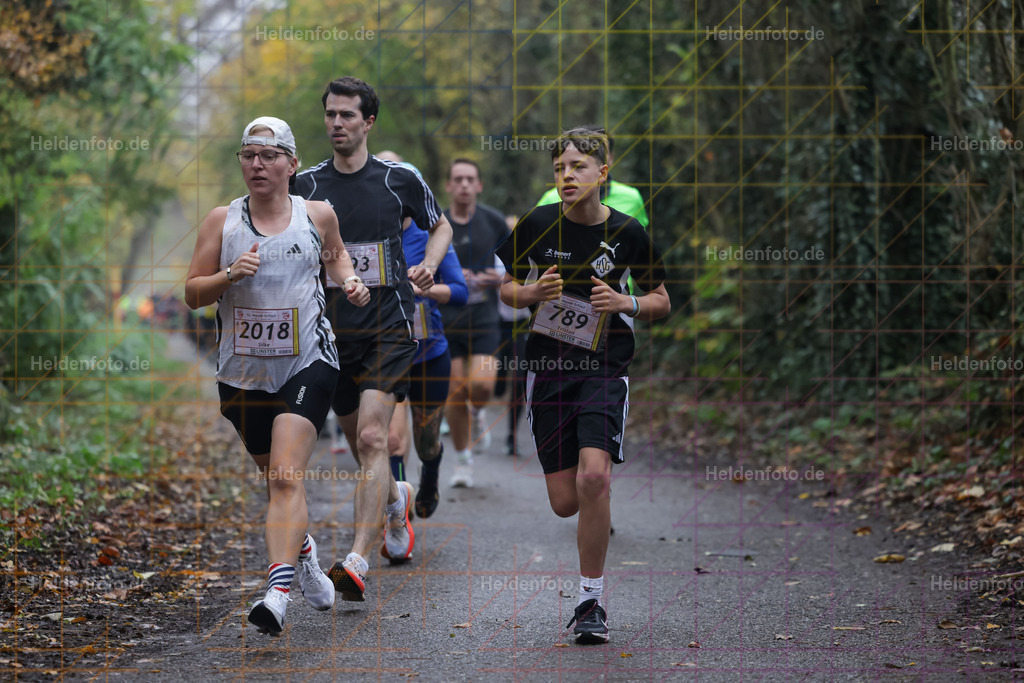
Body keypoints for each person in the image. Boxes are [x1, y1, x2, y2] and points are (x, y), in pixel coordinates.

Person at [184, 117, 371, 636]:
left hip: (307, 361)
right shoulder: (222, 221)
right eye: (248, 155)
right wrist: (228, 275)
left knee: (287, 476)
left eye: (268, 155)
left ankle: (277, 593)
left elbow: (336, 261)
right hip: (242, 372)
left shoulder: (317, 215)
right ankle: (304, 552)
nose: (257, 164)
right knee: (276, 481)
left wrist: (351, 282)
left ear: (291, 164)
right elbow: (193, 294)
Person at [495, 128, 670, 645]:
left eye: (577, 167)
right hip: (547, 371)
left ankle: (590, 600)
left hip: (603, 368)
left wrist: (626, 303)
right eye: (559, 169)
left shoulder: (628, 232)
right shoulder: (537, 223)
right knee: (565, 502)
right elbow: (506, 287)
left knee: (595, 479)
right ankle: (588, 577)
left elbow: (661, 297)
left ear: (602, 173)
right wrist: (530, 292)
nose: (566, 176)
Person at [292, 77, 453, 597]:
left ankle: (358, 559)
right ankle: (395, 501)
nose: (336, 123)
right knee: (365, 450)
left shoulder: (398, 179)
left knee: (371, 438)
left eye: (347, 115)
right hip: (332, 334)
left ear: (369, 122)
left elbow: (441, 225)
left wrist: (428, 264)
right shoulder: (307, 186)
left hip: (390, 325)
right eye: (330, 114)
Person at [374, 151, 468, 520]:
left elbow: (460, 291)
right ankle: (400, 510)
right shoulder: (365, 232)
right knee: (392, 440)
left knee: (427, 440)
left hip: (429, 353)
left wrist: (429, 288)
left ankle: (430, 474)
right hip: (383, 352)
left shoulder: (432, 235)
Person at [438, 159, 508, 487]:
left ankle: (478, 413)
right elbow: (423, 263)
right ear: (449, 186)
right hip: (447, 316)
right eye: (458, 179)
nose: (464, 185)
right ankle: (463, 461)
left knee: (481, 385)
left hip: (483, 314)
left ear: (479, 185)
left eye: (470, 179)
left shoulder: (494, 221)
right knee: (454, 390)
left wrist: (500, 277)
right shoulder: (436, 222)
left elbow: (519, 266)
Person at [493, 215, 531, 457]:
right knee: (495, 384)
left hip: (523, 324)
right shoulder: (494, 255)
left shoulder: (534, 255)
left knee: (519, 381)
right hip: (495, 323)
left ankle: (511, 436)